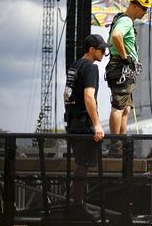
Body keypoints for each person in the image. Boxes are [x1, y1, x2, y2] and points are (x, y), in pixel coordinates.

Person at [63, 34, 106, 219]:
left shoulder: (74, 65)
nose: (104, 53)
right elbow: (89, 96)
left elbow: (66, 94)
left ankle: (75, 203)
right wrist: (97, 124)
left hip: (72, 122)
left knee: (80, 164)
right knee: (83, 164)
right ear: (91, 49)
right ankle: (77, 207)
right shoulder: (91, 68)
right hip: (83, 123)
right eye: (101, 49)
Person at [105, 0, 152, 156]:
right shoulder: (125, 21)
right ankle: (115, 145)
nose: (145, 12)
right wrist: (125, 58)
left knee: (125, 109)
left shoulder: (125, 21)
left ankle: (119, 142)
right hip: (120, 68)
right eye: (144, 8)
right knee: (118, 107)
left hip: (121, 69)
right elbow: (116, 37)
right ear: (135, 5)